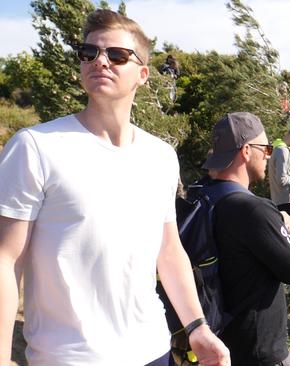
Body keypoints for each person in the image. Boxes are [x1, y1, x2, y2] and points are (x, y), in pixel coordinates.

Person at [0, 10, 228, 366]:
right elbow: (5, 258)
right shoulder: (35, 146)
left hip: (153, 351)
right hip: (69, 358)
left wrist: (197, 327)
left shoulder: (161, 156)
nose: (100, 61)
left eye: (117, 55)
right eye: (88, 53)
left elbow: (169, 253)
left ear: (143, 75)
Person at [204, 112, 290, 365]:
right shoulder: (253, 209)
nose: (269, 155)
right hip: (259, 350)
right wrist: (282, 224)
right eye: (266, 148)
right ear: (247, 150)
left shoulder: (200, 197)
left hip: (215, 342)